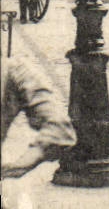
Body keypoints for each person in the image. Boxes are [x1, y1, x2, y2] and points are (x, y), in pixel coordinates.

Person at [1, 53, 75, 182]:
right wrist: (18, 166)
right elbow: (59, 128)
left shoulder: (13, 71)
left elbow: (59, 128)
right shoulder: (14, 70)